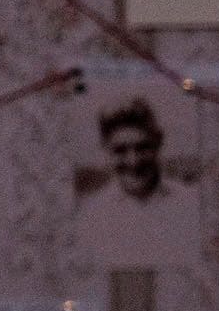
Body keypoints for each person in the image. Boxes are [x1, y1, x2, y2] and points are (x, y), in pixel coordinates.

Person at [73, 96, 202, 267]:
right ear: (105, 150)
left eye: (142, 148)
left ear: (158, 142)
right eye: (120, 150)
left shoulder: (192, 205)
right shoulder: (92, 217)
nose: (133, 161)